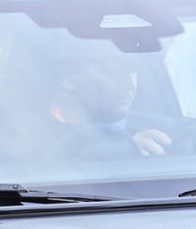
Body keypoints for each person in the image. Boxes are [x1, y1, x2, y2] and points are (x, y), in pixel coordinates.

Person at [44, 42, 173, 158]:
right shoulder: (36, 137)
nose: (130, 84)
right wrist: (124, 152)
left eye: (133, 71)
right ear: (69, 76)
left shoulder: (166, 128)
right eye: (113, 70)